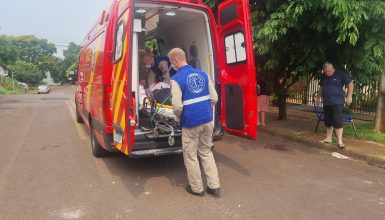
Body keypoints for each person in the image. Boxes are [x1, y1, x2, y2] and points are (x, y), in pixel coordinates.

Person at [168, 48, 220, 197]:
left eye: (172, 62)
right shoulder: (203, 74)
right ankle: (214, 186)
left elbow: (177, 106)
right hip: (207, 120)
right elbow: (214, 98)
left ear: (176, 61)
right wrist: (204, 109)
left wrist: (178, 118)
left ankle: (197, 188)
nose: (173, 65)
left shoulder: (176, 79)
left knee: (190, 155)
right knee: (206, 152)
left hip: (191, 122)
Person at [316, 62, 354, 149]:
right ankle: (328, 138)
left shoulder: (340, 74)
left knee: (337, 121)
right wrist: (318, 98)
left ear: (332, 68)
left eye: (328, 71)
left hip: (337, 102)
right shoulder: (324, 76)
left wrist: (349, 96)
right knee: (328, 121)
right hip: (327, 102)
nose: (327, 73)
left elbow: (350, 84)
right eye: (325, 72)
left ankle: (340, 141)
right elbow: (321, 87)